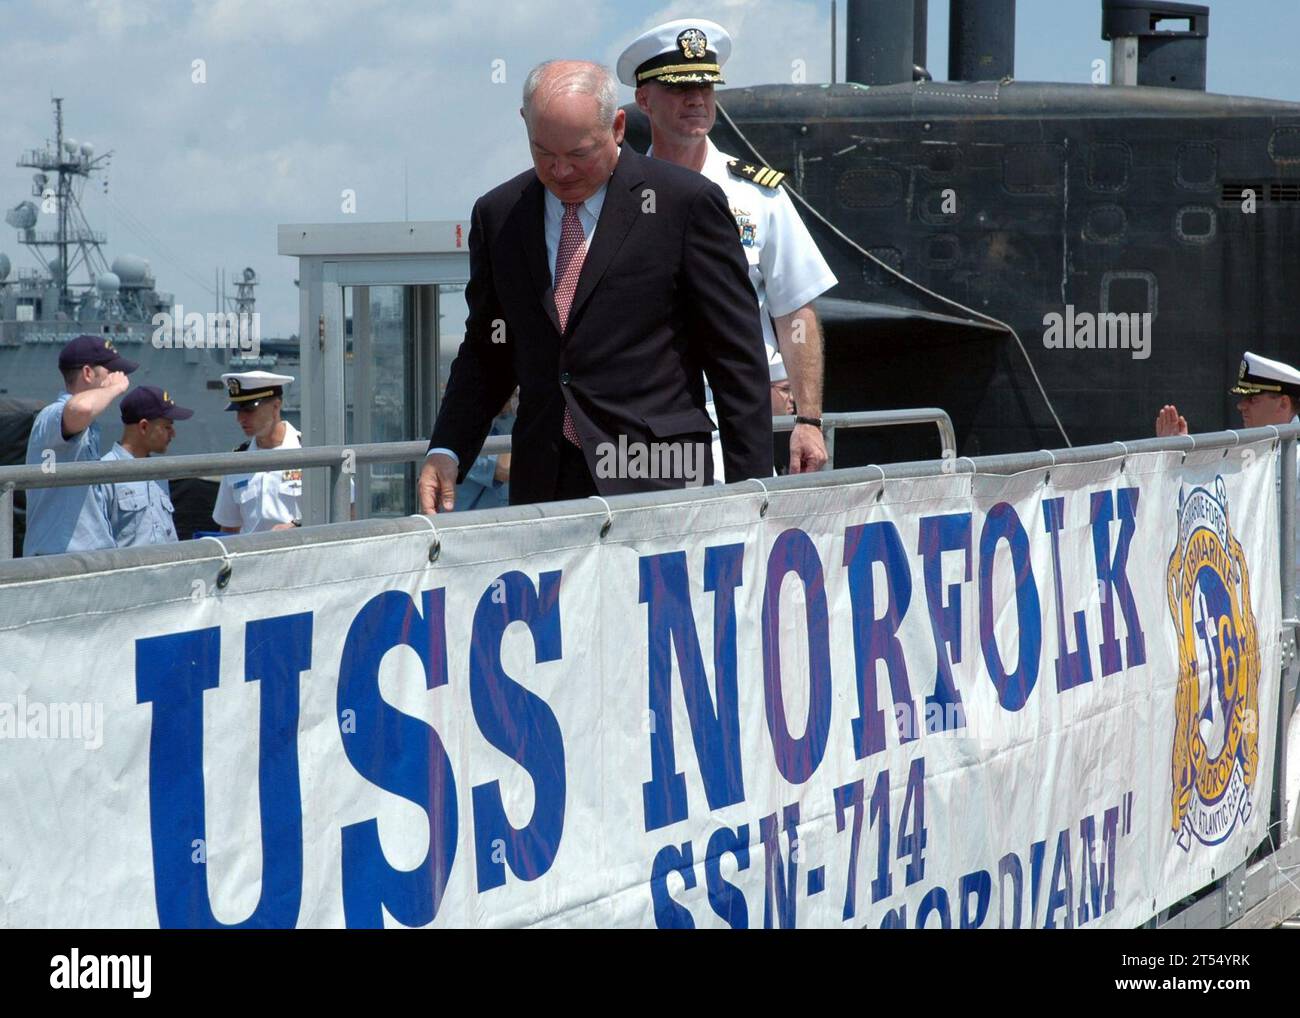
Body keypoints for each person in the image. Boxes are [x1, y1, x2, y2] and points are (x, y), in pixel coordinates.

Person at [418, 59, 772, 512]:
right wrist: (447, 449)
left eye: (579, 154)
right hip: (544, 486)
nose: (561, 171)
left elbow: (735, 357)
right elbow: (488, 351)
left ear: (618, 127)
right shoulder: (499, 215)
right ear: (525, 125)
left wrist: (755, 495)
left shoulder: (683, 205)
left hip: (656, 478)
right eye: (544, 153)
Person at [618, 19, 838, 479]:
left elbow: (795, 309)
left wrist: (809, 421)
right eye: (679, 88)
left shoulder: (759, 195)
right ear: (644, 100)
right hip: (647, 425)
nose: (696, 98)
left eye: (704, 86)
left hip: (744, 420)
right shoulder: (620, 198)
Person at [22, 334, 137, 556]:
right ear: (87, 373)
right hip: (59, 561)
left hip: (86, 557)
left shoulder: (88, 426)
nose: (117, 377)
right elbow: (79, 409)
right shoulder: (51, 416)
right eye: (109, 372)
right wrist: (113, 389)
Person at [95, 386, 193, 547]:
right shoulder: (105, 475)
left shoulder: (158, 473)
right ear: (144, 427)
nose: (173, 433)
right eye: (167, 427)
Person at [212, 371, 304, 533]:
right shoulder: (236, 462)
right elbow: (229, 527)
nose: (240, 419)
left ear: (276, 406)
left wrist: (298, 526)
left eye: (248, 410)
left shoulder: (309, 453)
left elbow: (346, 511)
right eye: (237, 411)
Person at [455, 394, 516, 511]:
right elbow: (505, 469)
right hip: (467, 522)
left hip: (503, 518)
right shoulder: (463, 431)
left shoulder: (506, 420)